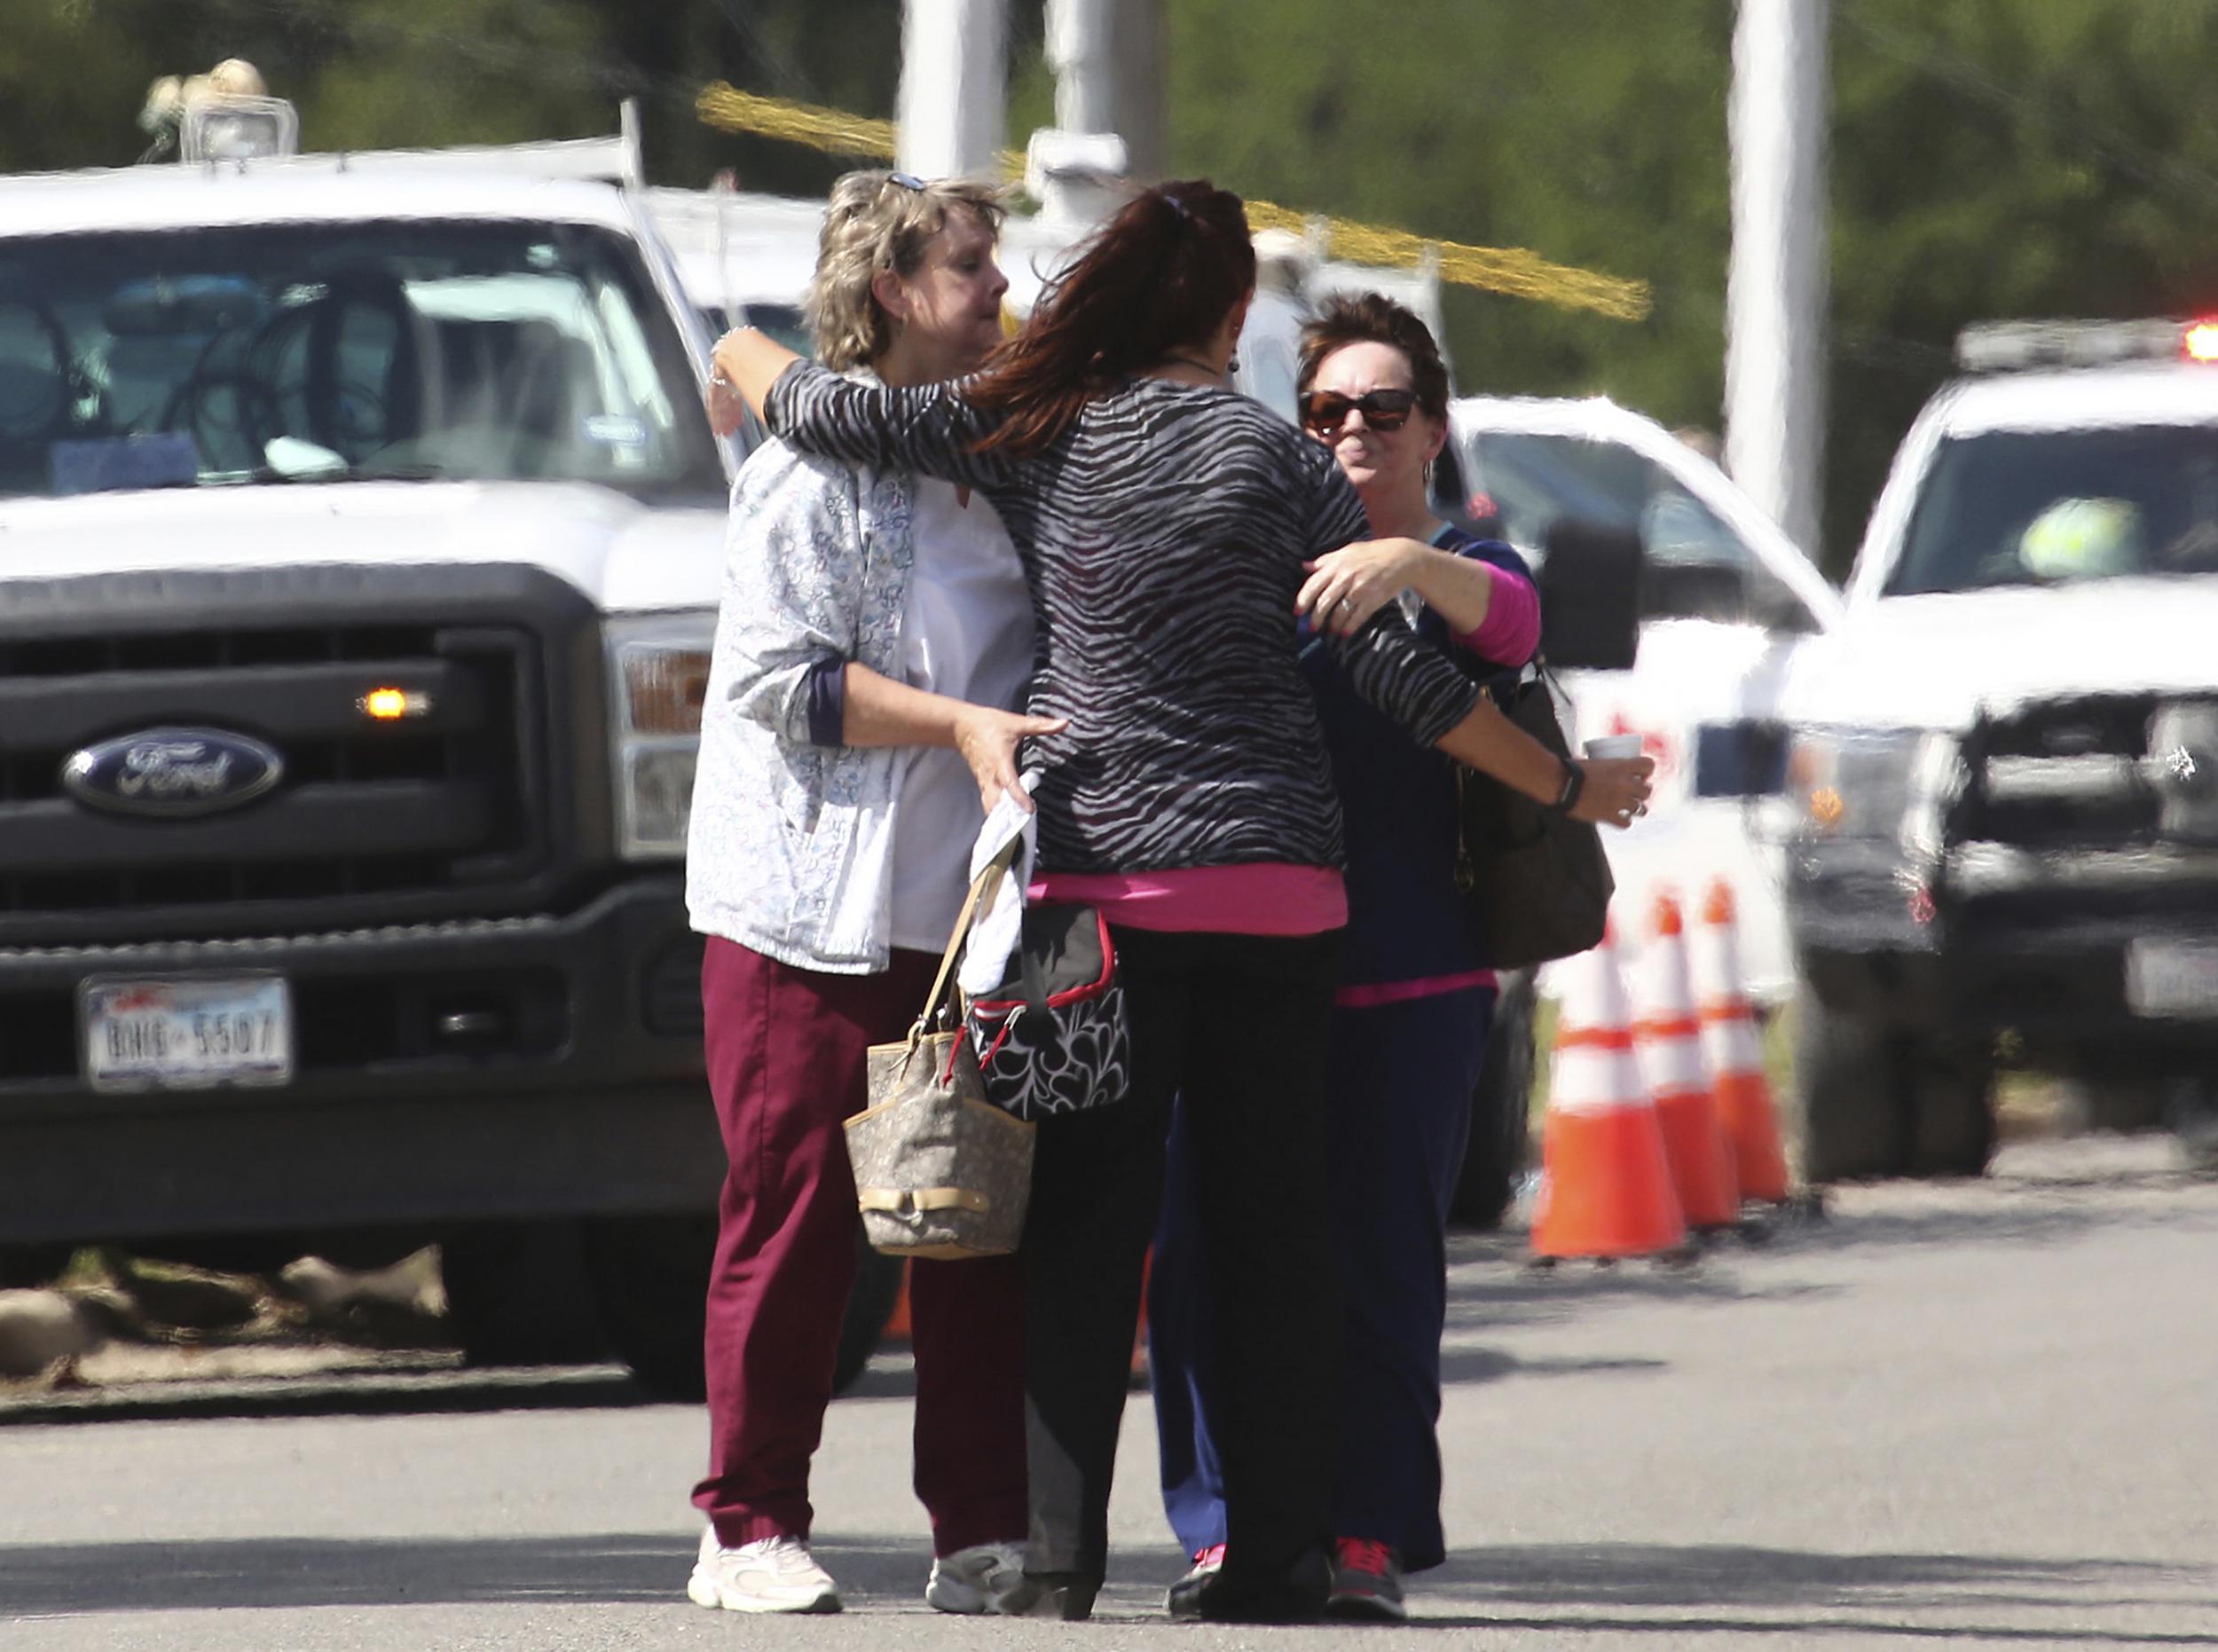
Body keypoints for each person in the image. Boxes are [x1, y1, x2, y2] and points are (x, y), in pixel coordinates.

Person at [706, 178, 1653, 1623]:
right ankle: (1279, 1555)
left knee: (1089, 1231)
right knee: (1279, 1233)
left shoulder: (1040, 431)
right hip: (1281, 899)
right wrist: (1567, 785)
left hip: (1106, 901)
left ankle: (1058, 1558)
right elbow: (1405, 679)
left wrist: (738, 351)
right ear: (1227, 318)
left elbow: (828, 415)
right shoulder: (1286, 467)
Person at [683, 169, 1062, 1617]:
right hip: (804, 915)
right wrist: (961, 726)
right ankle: (747, 1524)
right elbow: (781, 683)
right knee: (796, 1225)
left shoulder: (1002, 455)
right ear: (896, 291)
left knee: (968, 1219)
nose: (1002, 292)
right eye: (976, 268)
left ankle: (978, 1529)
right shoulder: (807, 469)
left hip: (968, 921)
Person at [1149, 291, 1546, 1621]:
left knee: (1382, 1269)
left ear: (1434, 429)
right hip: (1245, 968)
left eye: (1383, 409)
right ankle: (1221, 1526)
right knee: (1204, 1258)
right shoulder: (1263, 570)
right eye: (1325, 412)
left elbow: (1515, 630)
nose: (1353, 432)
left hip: (1413, 980)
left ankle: (1368, 1531)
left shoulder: (1473, 575)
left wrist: (1408, 569)